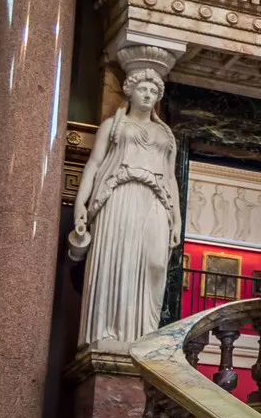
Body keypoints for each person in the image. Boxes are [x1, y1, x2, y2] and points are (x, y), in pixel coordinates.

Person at [70, 60, 181, 347]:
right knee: (115, 259)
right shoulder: (113, 125)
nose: (147, 95)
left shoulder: (166, 135)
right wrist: (80, 205)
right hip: (118, 197)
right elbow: (94, 165)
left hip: (155, 200)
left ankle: (142, 335)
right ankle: (108, 331)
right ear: (129, 92)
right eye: (142, 89)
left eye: (153, 91)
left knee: (155, 264)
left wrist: (177, 219)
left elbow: (170, 178)